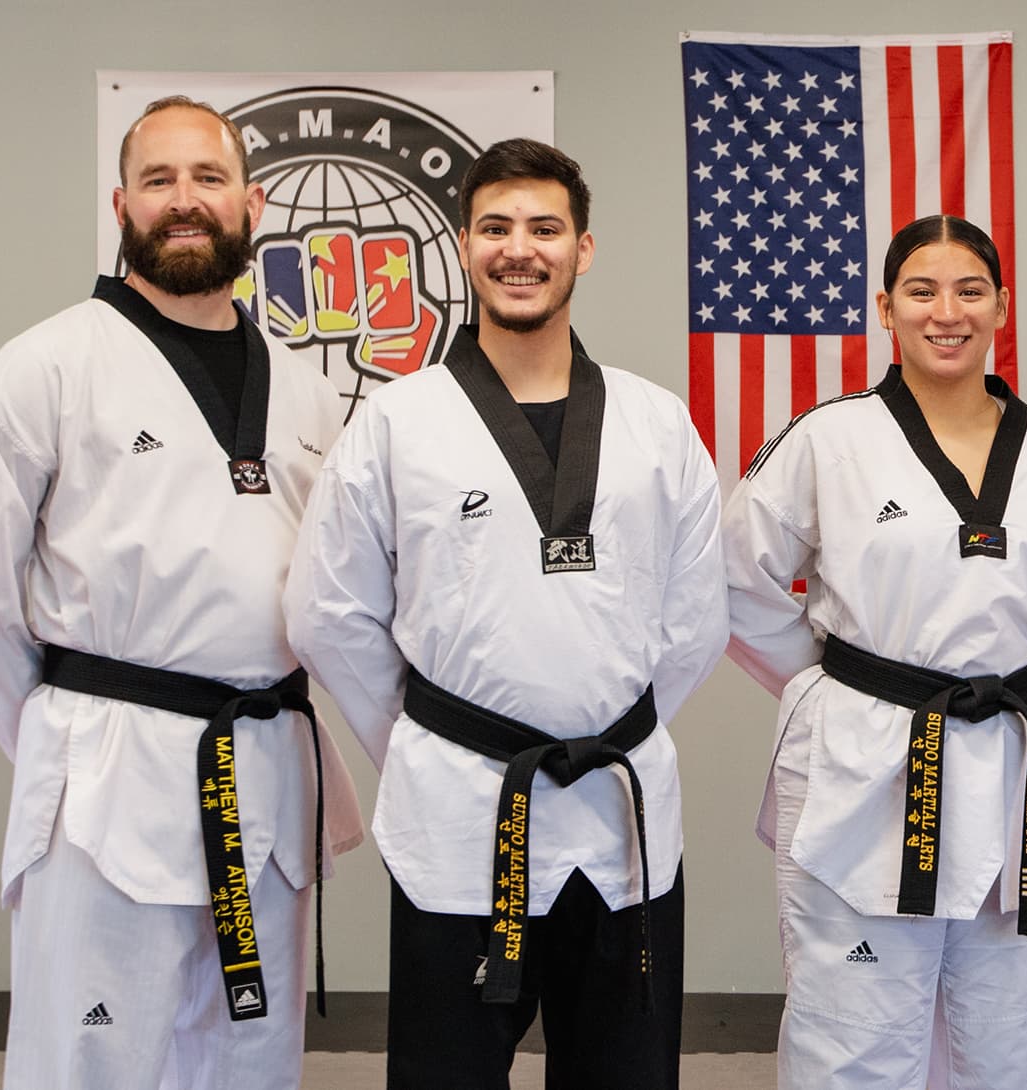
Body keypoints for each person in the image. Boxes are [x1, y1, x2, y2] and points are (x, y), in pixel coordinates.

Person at [0, 96, 363, 1089]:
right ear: (121, 203)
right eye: (159, 180)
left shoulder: (305, 383)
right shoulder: (50, 363)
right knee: (92, 1063)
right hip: (106, 774)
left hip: (268, 770)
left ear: (256, 200)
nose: (185, 201)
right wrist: (48, 725)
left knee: (251, 1059)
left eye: (207, 177)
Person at [282, 138, 726, 1089]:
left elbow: (695, 621)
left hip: (619, 814)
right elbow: (327, 613)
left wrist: (601, 718)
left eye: (544, 228)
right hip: (457, 809)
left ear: (585, 248)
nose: (519, 249)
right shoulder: (399, 422)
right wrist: (426, 740)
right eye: (495, 228)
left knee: (623, 1075)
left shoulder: (657, 424)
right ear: (464, 244)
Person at [724, 213, 1027, 1089]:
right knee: (854, 1037)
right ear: (885, 308)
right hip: (866, 763)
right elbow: (737, 583)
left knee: (1008, 1033)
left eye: (970, 290)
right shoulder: (828, 438)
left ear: (1001, 306)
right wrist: (845, 687)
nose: (947, 312)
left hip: (1014, 756)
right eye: (922, 290)